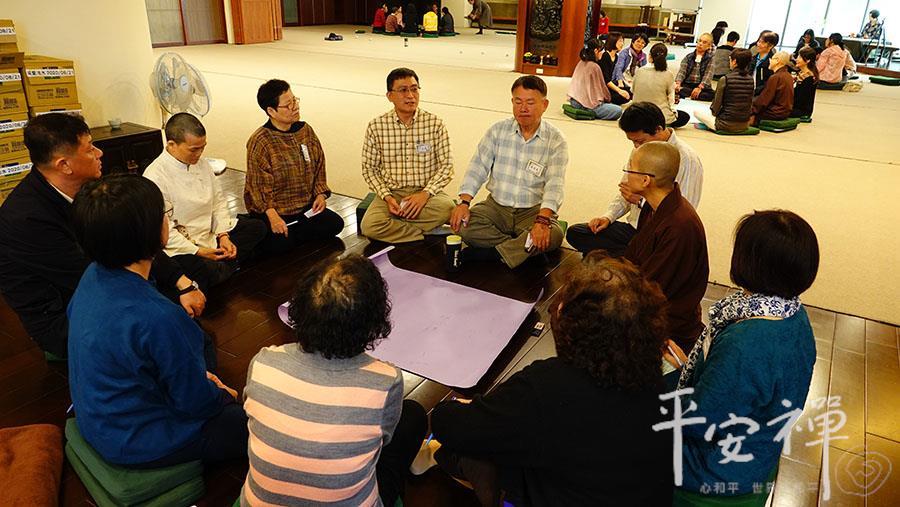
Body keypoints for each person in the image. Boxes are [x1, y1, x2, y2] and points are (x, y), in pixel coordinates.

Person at [425, 254, 673, 506]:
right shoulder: (654, 381)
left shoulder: (547, 386)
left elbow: (449, 424)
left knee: (466, 450)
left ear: (571, 319)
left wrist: (465, 408)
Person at [68, 174, 247, 468]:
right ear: (151, 232)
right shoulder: (159, 317)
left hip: (96, 419)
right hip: (132, 441)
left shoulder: (92, 276)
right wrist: (220, 395)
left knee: (200, 346)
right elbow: (196, 404)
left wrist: (199, 377)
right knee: (249, 423)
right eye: (164, 214)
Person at [0, 113, 207, 360]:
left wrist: (182, 281)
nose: (99, 153)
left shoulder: (88, 187)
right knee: (177, 332)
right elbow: (92, 275)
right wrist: (161, 303)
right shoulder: (26, 220)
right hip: (69, 313)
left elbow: (136, 234)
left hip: (109, 281)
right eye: (90, 149)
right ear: (64, 165)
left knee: (185, 322)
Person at [240, 254, 427, 506]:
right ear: (373, 322)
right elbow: (384, 441)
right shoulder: (386, 381)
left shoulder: (263, 361)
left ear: (299, 308)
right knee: (412, 416)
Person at [664, 210, 819, 500]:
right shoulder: (793, 313)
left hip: (715, 470)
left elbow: (700, 420)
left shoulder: (747, 342)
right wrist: (691, 367)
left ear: (748, 262)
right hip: (759, 452)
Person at [451, 76, 568, 268]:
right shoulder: (497, 130)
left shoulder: (556, 140)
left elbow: (555, 185)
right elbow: (478, 166)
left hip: (533, 211)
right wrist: (464, 202)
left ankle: (494, 253)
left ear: (544, 105)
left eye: (530, 102)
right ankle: (523, 248)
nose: (523, 108)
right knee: (464, 226)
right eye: (518, 102)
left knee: (554, 235)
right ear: (512, 102)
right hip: (496, 207)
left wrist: (542, 220)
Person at [145, 113, 266, 291]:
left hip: (210, 235)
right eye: (194, 149)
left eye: (202, 148)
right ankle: (226, 266)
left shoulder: (203, 164)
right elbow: (163, 232)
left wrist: (223, 236)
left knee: (258, 227)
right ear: (171, 145)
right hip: (184, 246)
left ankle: (222, 266)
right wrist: (200, 251)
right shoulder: (155, 176)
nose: (199, 154)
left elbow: (218, 201)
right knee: (192, 266)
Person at [566, 102, 703, 259]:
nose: (636, 146)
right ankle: (629, 257)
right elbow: (626, 191)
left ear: (658, 129)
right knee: (576, 233)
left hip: (661, 234)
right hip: (634, 229)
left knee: (662, 255)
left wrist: (641, 202)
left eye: (640, 141)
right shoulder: (640, 151)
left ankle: (627, 258)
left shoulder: (686, 159)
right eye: (633, 141)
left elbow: (682, 211)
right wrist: (608, 217)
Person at [620, 141, 709, 351]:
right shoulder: (654, 207)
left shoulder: (679, 226)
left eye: (629, 168)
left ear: (645, 180)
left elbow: (653, 288)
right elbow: (633, 257)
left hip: (668, 325)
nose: (625, 175)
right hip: (645, 296)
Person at [244, 80, 344, 255]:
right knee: (278, 242)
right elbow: (258, 187)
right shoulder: (260, 141)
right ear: (271, 111)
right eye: (288, 105)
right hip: (275, 211)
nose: (295, 107)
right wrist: (273, 216)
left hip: (305, 208)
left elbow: (319, 165)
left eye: (295, 100)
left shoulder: (305, 131)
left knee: (335, 224)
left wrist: (320, 195)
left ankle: (295, 231)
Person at [361, 68, 455, 243]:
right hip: (392, 193)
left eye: (414, 89)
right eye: (403, 90)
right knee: (369, 226)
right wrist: (387, 197)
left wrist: (425, 194)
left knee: (448, 208)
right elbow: (369, 169)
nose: (410, 96)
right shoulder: (376, 126)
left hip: (426, 193)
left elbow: (446, 166)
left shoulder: (434, 123)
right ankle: (425, 232)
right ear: (389, 96)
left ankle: (398, 227)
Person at [695, 49, 755, 133]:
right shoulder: (751, 80)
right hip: (744, 124)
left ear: (734, 62)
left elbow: (715, 107)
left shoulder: (725, 79)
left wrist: (715, 114)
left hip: (724, 124)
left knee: (696, 112)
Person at [632, 43, 690, 128]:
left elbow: (633, 91)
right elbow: (671, 101)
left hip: (636, 115)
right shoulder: (668, 74)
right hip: (659, 117)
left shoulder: (640, 71)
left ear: (649, 56)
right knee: (684, 116)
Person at [567, 38, 622, 121]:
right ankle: (589, 112)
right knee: (618, 110)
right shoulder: (595, 67)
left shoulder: (581, 62)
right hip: (585, 104)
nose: (603, 53)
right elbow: (601, 90)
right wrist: (608, 99)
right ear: (596, 51)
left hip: (574, 101)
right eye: (602, 51)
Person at [751, 51, 794, 125]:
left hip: (775, 112)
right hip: (786, 111)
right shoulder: (788, 75)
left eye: (772, 59)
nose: (770, 61)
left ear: (777, 61)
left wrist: (751, 109)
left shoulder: (776, 77)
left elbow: (764, 100)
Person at [675, 32, 715, 101]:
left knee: (713, 95)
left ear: (709, 46)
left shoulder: (710, 59)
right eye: (700, 41)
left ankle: (690, 94)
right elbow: (682, 72)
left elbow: (708, 75)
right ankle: (693, 94)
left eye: (704, 42)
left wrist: (700, 88)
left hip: (701, 86)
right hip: (687, 84)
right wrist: (678, 83)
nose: (700, 44)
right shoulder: (688, 57)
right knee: (675, 88)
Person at [598, 32, 632, 105]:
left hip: (613, 84)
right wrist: (619, 90)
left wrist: (624, 80)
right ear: (613, 41)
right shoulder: (605, 56)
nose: (622, 44)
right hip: (604, 86)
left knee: (630, 92)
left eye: (622, 41)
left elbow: (617, 74)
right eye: (620, 41)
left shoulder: (616, 57)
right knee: (622, 96)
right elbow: (606, 80)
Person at [792, 46, 819, 118]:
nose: (797, 59)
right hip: (796, 106)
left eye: (800, 57)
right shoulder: (802, 73)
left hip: (801, 110)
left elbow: (800, 99)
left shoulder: (809, 78)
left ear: (807, 60)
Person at [752, 31, 779, 95]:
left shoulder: (772, 62)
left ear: (771, 46)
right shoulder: (753, 58)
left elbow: (768, 84)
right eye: (759, 41)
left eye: (762, 42)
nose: (758, 44)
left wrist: (756, 92)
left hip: (760, 95)